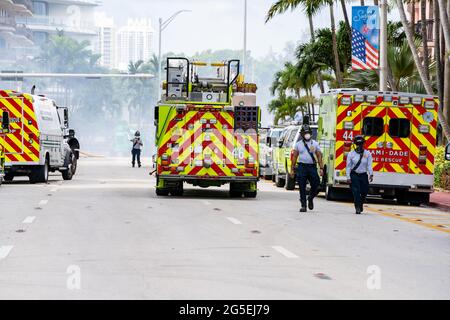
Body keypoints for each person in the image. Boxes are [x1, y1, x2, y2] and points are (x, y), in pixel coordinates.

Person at [290, 124, 324, 213]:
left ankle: (310, 197)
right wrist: (292, 169)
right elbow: (294, 157)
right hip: (302, 167)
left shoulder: (315, 144)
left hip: (312, 167)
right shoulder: (298, 145)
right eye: (305, 133)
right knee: (301, 186)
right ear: (302, 134)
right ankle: (303, 205)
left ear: (310, 133)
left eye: (308, 132)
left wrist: (321, 168)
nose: (307, 134)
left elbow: (319, 155)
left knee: (316, 184)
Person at [346, 135, 374, 214]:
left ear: (363, 144)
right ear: (355, 144)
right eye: (358, 144)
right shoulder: (351, 154)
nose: (359, 146)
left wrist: (371, 174)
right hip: (354, 175)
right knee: (356, 192)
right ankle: (357, 207)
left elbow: (369, 165)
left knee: (364, 191)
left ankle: (361, 203)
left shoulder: (368, 154)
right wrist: (348, 177)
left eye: (361, 144)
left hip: (363, 175)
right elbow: (348, 166)